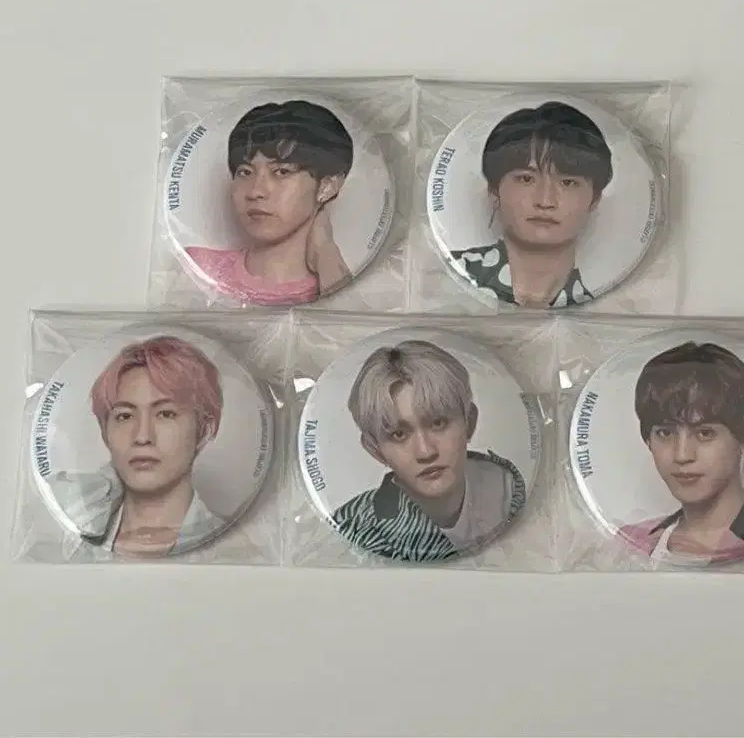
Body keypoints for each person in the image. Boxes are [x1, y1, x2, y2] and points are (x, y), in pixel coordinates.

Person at [333, 340, 526, 562]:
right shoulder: (355, 526)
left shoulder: (508, 487)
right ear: (375, 450)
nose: (426, 452)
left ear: (470, 422)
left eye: (438, 423)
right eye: (398, 434)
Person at [618, 341, 744, 565]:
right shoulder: (626, 542)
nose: (682, 455)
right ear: (648, 439)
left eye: (705, 433)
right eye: (666, 433)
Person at [57, 336, 225, 557]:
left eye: (166, 414)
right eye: (125, 416)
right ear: (105, 431)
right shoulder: (67, 540)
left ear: (205, 430)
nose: (142, 436)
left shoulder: (234, 551)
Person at [187, 100, 354, 305]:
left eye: (281, 172)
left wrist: (326, 253)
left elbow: (351, 323)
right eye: (245, 172)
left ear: (327, 186)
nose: (255, 192)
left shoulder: (342, 280)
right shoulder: (197, 269)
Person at [451, 101, 613, 307]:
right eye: (526, 179)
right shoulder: (445, 276)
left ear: (595, 199)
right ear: (494, 190)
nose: (545, 201)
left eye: (568, 182)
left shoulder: (605, 307)